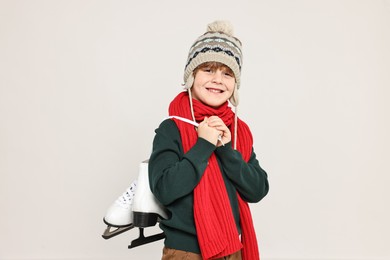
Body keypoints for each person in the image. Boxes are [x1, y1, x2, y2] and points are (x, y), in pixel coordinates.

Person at [148, 20, 269, 260]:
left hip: (233, 249)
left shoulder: (238, 131)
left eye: (227, 73)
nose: (217, 79)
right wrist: (203, 145)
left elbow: (257, 190)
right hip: (186, 252)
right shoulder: (172, 127)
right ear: (191, 76)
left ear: (235, 85)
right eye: (208, 70)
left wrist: (225, 149)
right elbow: (164, 189)